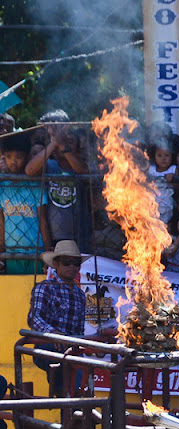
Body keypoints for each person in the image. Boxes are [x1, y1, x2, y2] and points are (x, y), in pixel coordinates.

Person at [28, 240, 86, 394]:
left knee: (76, 375)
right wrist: (54, 334)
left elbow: (79, 328)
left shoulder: (80, 294)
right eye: (67, 262)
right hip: (47, 345)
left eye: (76, 262)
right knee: (69, 374)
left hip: (70, 348)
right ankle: (71, 405)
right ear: (56, 264)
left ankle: (70, 408)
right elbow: (34, 318)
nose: (72, 266)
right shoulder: (44, 287)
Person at [24, 110, 89, 248]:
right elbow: (29, 170)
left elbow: (83, 170)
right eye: (59, 142)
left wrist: (63, 145)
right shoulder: (49, 165)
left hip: (79, 235)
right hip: (54, 235)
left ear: (77, 147)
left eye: (69, 142)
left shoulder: (78, 165)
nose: (63, 145)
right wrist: (55, 143)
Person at [0, 132, 51, 274]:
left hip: (36, 250)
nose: (13, 162)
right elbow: (1, 221)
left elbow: (43, 220)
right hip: (12, 252)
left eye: (19, 157)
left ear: (28, 157)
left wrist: (48, 252)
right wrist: (1, 251)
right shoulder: (2, 185)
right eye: (9, 157)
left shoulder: (34, 185)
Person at [147, 136, 176, 224]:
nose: (163, 158)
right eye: (159, 155)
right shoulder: (151, 169)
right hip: (151, 203)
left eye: (167, 155)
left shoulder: (173, 169)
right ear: (154, 156)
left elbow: (177, 180)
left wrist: (172, 176)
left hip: (166, 204)